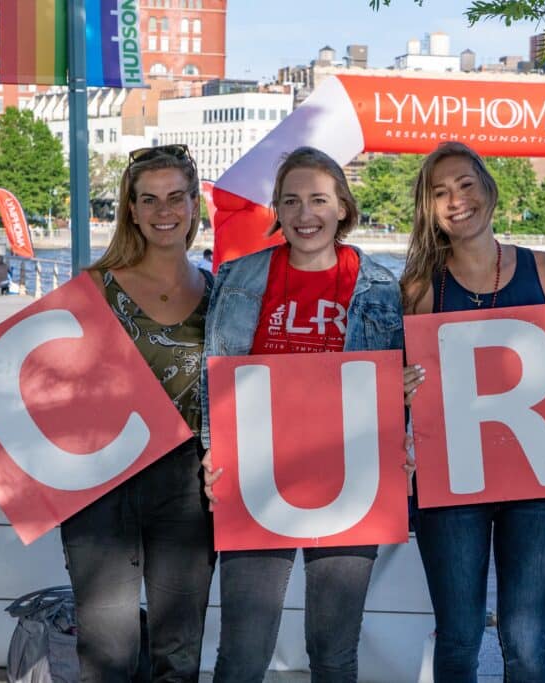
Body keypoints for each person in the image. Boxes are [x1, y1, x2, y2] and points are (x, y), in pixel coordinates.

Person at [0, 143, 217, 681]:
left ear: (195, 204)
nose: (163, 211)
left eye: (176, 197)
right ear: (130, 210)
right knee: (105, 652)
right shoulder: (92, 290)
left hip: (187, 488)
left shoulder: (224, 296)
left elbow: (247, 395)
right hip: (97, 486)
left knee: (179, 650)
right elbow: (28, 382)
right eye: (148, 199)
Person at [200, 146, 404, 683]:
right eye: (290, 201)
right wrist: (210, 448)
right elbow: (214, 372)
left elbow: (397, 383)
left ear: (343, 208)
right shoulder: (238, 278)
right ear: (277, 210)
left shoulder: (381, 287)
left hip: (350, 474)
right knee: (243, 651)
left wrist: (405, 413)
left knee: (334, 653)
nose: (304, 214)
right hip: (256, 471)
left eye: (318, 199)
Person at [399, 141, 545, 682]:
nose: (456, 201)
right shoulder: (421, 288)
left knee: (526, 643)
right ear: (429, 209)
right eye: (440, 193)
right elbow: (402, 393)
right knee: (459, 638)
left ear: (488, 189)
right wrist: (397, 387)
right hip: (452, 483)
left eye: (465, 185)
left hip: (534, 481)